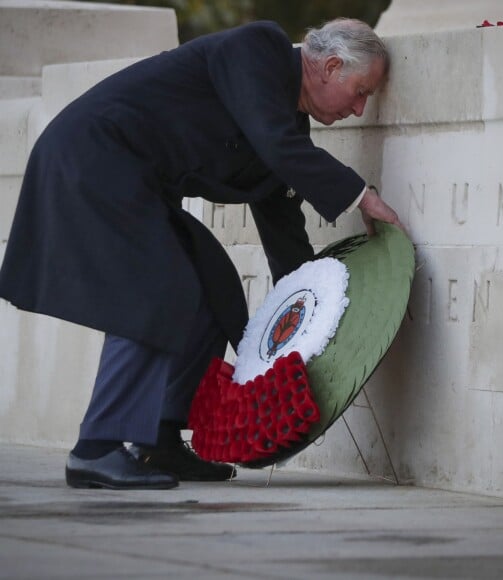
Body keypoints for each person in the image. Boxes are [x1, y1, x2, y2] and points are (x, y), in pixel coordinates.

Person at [0, 18, 404, 490]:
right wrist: (359, 196)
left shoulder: (285, 127)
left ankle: (159, 441)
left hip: (139, 184)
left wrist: (319, 331)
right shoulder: (261, 50)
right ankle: (97, 448)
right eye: (359, 92)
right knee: (157, 288)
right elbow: (276, 143)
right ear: (331, 66)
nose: (358, 110)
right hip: (95, 157)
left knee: (213, 287)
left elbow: (289, 244)